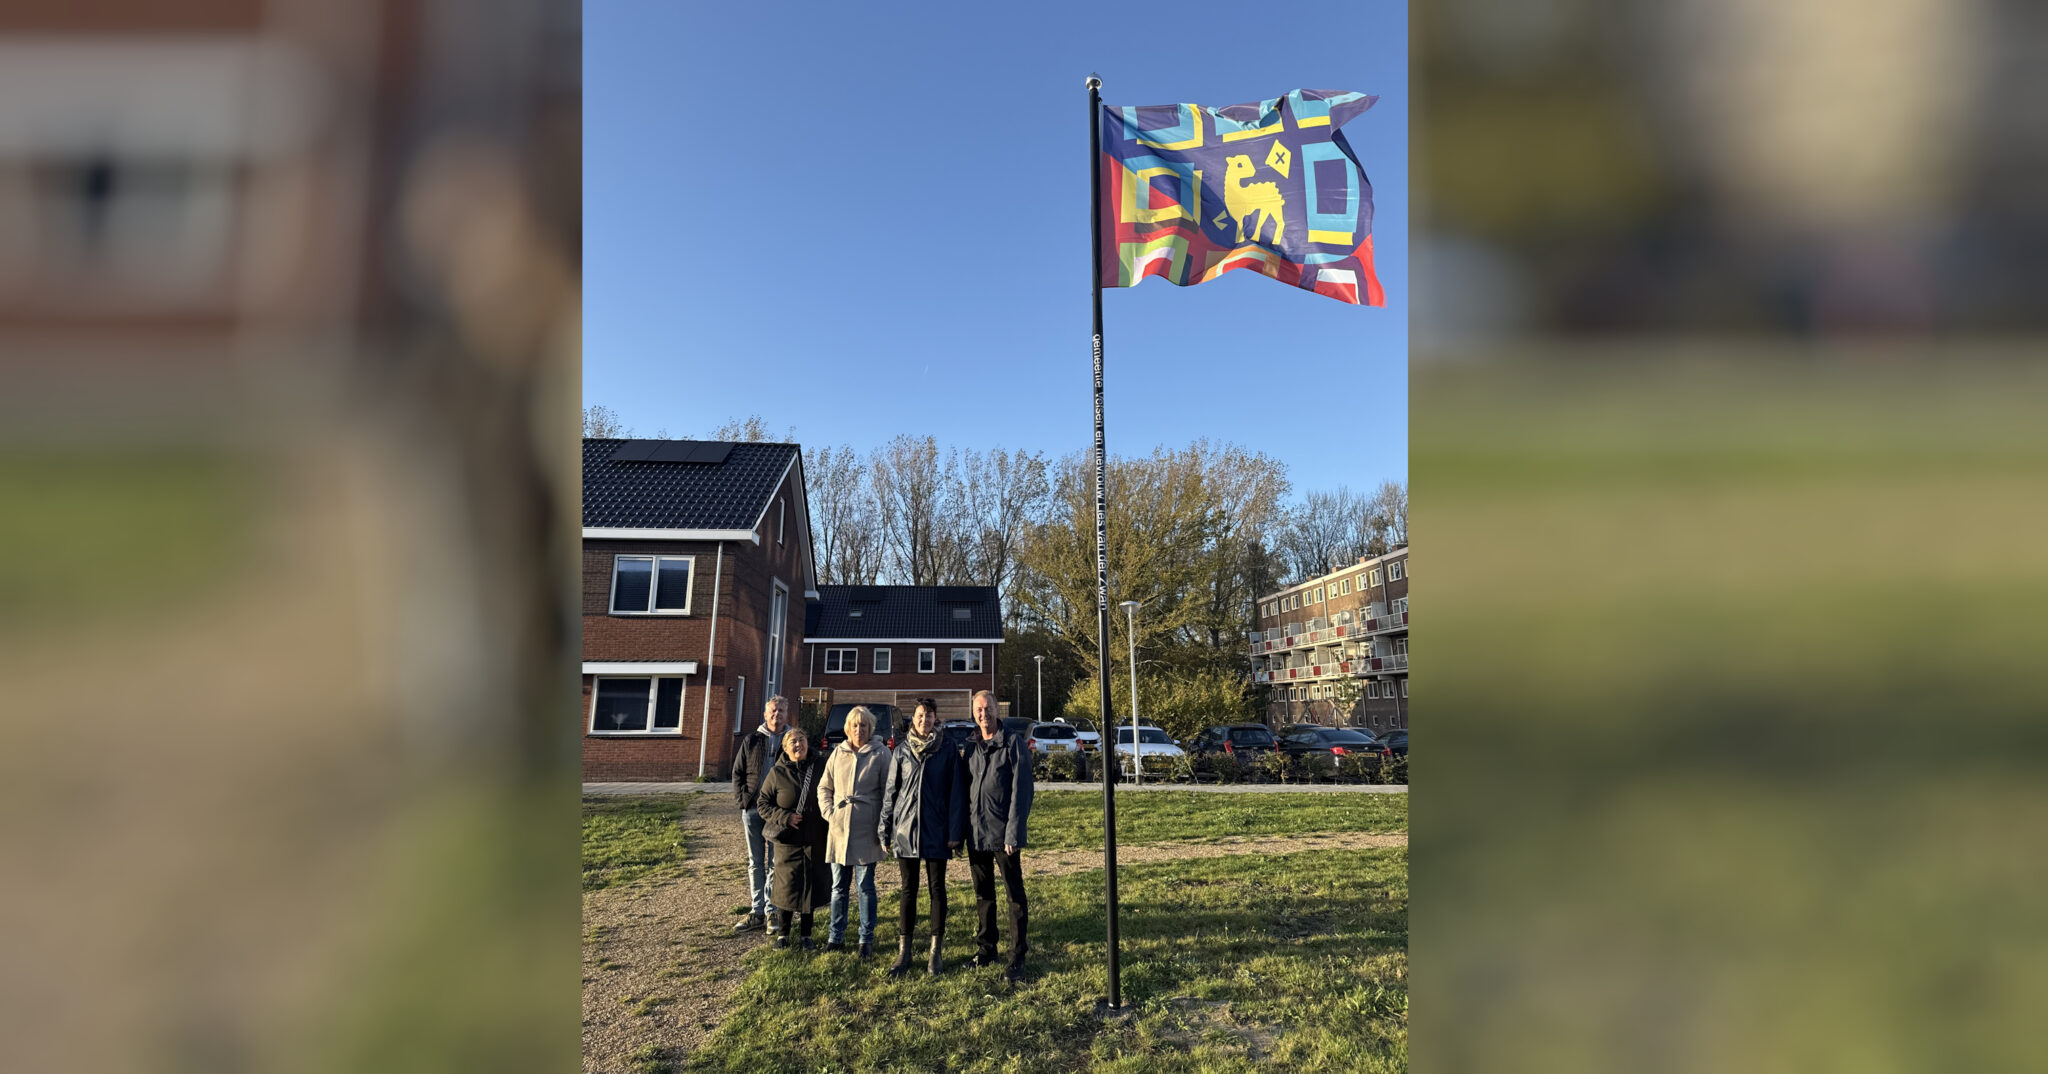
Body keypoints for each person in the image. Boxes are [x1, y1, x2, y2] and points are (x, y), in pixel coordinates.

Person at [878, 698, 968, 976]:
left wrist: (955, 833)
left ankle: (934, 953)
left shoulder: (948, 748)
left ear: (935, 720)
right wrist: (885, 827)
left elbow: (957, 794)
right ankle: (904, 953)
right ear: (912, 719)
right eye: (920, 715)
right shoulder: (902, 751)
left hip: (937, 831)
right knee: (908, 891)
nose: (924, 720)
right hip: (906, 832)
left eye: (929, 716)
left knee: (937, 890)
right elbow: (891, 791)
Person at [964, 688, 1033, 983]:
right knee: (983, 895)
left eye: (988, 708)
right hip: (976, 833)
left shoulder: (1013, 744)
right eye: (978, 709)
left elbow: (1022, 791)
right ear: (973, 713)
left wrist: (1013, 831)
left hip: (1003, 835)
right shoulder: (970, 747)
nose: (983, 714)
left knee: (1014, 895)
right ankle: (986, 948)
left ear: (997, 711)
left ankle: (1017, 956)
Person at [819, 705, 889, 956]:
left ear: (870, 729)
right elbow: (824, 787)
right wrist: (829, 812)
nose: (859, 730)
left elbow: (888, 794)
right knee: (838, 886)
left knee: (865, 886)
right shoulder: (838, 753)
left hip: (866, 830)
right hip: (839, 829)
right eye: (855, 725)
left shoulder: (881, 754)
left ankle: (865, 939)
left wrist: (881, 824)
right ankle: (835, 937)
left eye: (864, 726)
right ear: (848, 728)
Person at [754, 729, 830, 950]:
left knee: (811, 886)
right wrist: (784, 817)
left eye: (802, 740)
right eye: (793, 742)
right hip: (788, 840)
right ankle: (783, 934)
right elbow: (763, 804)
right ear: (786, 748)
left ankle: (806, 935)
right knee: (785, 887)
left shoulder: (820, 766)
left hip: (815, 837)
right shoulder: (777, 773)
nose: (799, 745)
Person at [729, 695, 791, 934]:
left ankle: (771, 910)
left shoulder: (791, 740)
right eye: (774, 711)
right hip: (753, 809)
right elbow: (738, 772)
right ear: (766, 715)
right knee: (755, 862)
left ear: (787, 715)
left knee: (775, 862)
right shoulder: (752, 740)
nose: (777, 715)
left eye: (782, 711)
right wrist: (743, 800)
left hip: (778, 812)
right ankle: (756, 910)